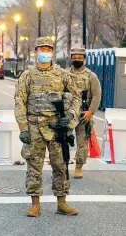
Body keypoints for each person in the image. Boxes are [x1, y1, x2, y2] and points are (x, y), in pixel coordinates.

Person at [14, 36, 81, 217]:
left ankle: (62, 202)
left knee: (60, 165)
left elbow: (76, 97)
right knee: (34, 166)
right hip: (35, 125)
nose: (45, 53)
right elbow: (20, 101)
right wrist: (23, 129)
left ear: (52, 52)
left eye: (48, 49)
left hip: (56, 126)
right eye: (41, 49)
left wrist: (70, 117)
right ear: (36, 52)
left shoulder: (63, 75)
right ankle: (35, 203)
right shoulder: (27, 76)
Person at [69, 47, 102, 179]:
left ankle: (79, 166)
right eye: (75, 57)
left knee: (82, 142)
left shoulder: (90, 76)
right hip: (68, 113)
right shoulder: (65, 74)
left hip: (84, 113)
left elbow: (96, 95)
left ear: (84, 59)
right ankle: (62, 165)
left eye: (80, 57)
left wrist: (91, 111)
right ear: (71, 58)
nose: (77, 59)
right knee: (61, 140)